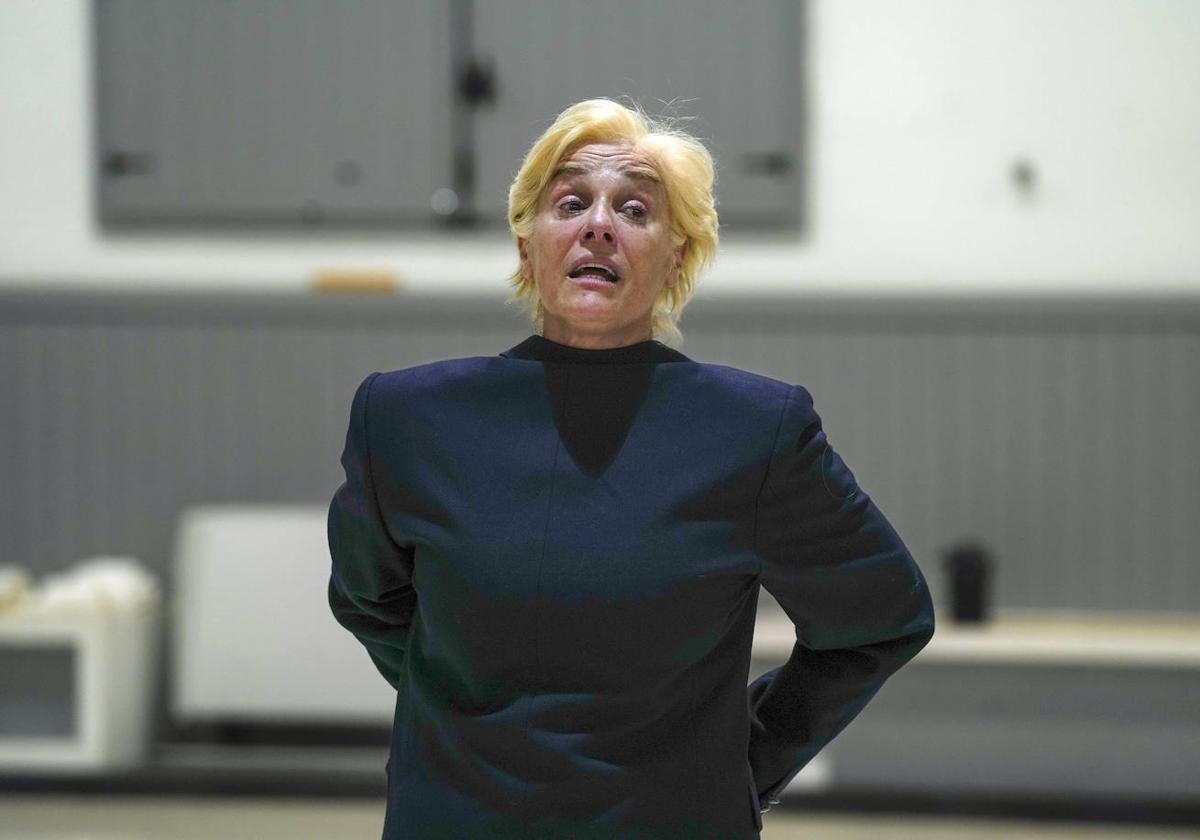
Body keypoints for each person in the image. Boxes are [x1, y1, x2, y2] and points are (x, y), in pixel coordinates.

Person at [327, 98, 935, 840]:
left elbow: (880, 619)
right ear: (528, 247)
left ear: (677, 257)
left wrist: (743, 761)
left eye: (636, 209)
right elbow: (370, 601)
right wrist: (469, 719)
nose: (599, 225)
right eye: (572, 201)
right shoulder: (406, 417)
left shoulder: (755, 431)